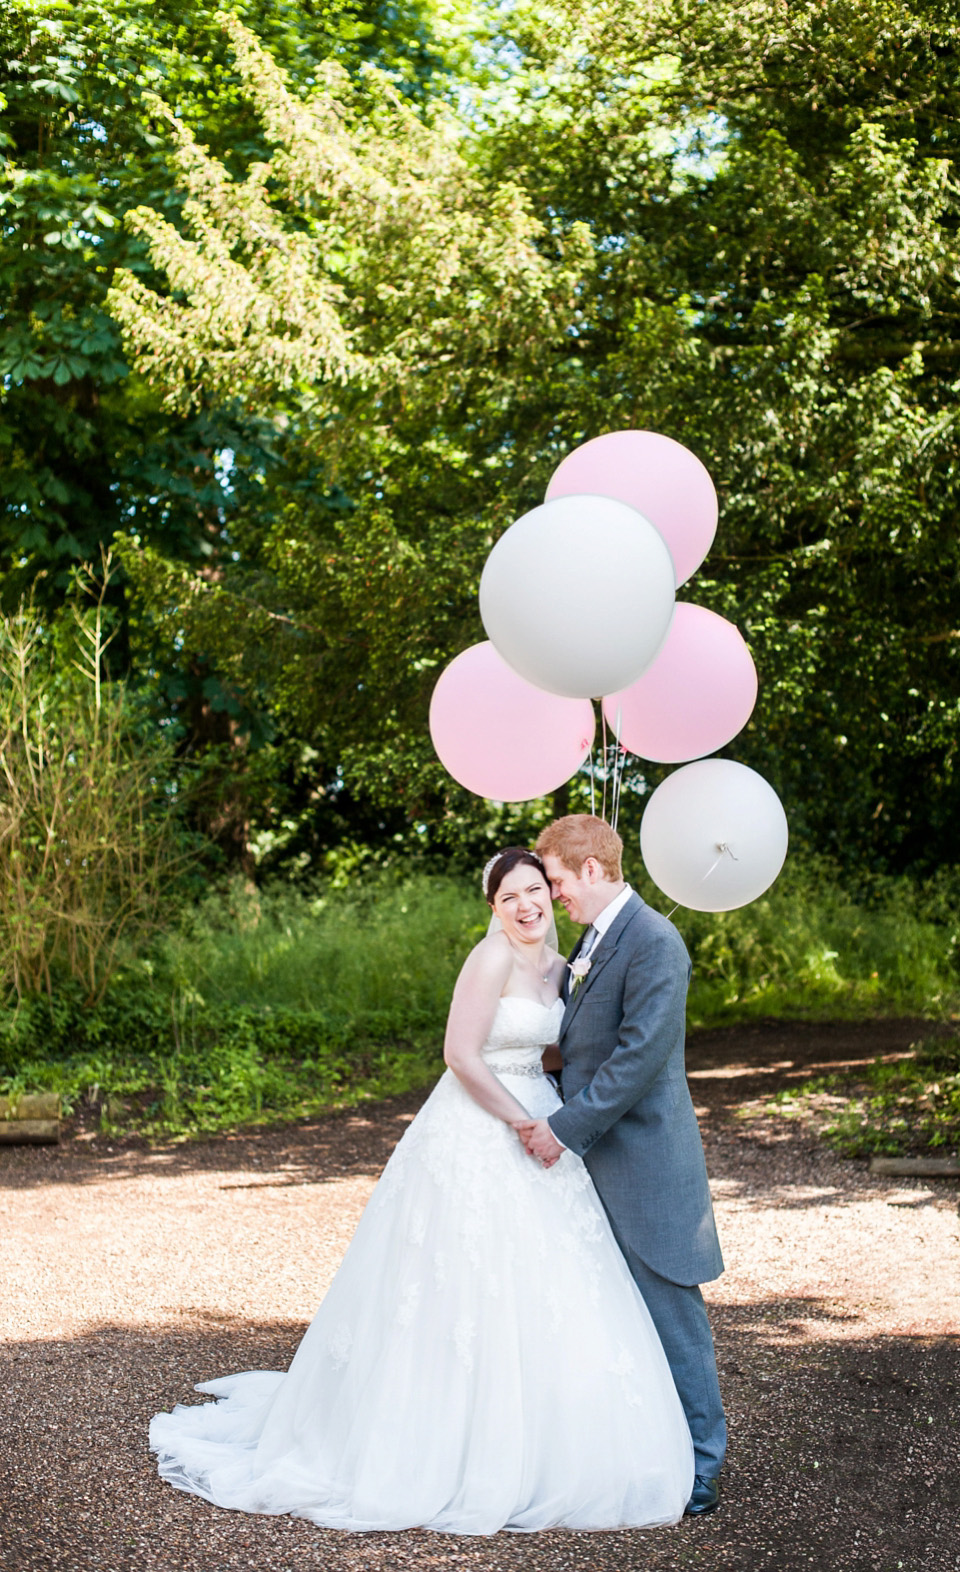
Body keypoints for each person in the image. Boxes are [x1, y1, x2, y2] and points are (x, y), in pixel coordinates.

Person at [149, 847, 695, 1534]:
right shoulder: (490, 958)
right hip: (478, 1126)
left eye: (534, 891)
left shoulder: (565, 970)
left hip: (543, 1126)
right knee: (451, 1278)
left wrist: (560, 1116)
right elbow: (460, 1054)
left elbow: (565, 1048)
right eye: (509, 898)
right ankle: (429, 1441)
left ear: (547, 896)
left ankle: (546, 1443)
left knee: (547, 1281)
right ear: (492, 908)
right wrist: (525, 1119)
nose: (525, 906)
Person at [515, 815, 726, 1516]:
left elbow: (638, 1058)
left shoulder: (656, 942)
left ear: (594, 871)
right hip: (598, 1166)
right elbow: (583, 1041)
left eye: (557, 881)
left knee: (670, 1314)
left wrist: (562, 1129)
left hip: (645, 1165)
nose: (553, 897)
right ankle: (641, 1450)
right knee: (613, 1316)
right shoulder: (595, 940)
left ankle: (700, 1468)